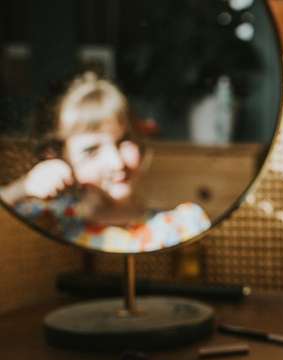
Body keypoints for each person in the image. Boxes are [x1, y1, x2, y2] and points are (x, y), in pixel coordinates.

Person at [0, 72, 210, 252]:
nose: (116, 162)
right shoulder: (46, 221)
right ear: (56, 157)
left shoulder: (182, 226)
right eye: (91, 151)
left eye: (124, 141)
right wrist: (21, 189)